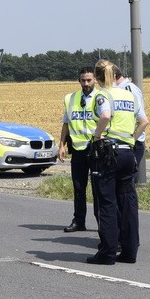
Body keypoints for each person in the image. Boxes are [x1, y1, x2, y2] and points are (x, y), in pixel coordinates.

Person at [85, 59, 144, 265]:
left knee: (107, 202)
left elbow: (106, 115)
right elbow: (144, 120)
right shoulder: (129, 94)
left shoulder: (103, 94)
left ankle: (107, 253)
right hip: (128, 152)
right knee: (128, 202)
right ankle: (129, 252)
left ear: (98, 78)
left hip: (109, 153)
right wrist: (131, 139)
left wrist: (97, 135)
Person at [57, 66, 97, 232]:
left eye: (89, 80)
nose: (86, 83)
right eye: (83, 80)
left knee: (98, 189)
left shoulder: (101, 97)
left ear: (94, 79)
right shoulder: (71, 98)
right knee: (79, 187)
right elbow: (66, 123)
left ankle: (103, 223)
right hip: (79, 149)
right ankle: (79, 221)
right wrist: (61, 145)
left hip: (96, 149)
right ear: (79, 80)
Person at [113, 66, 150, 181]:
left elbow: (142, 119)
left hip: (132, 143)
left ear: (113, 76)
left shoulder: (128, 89)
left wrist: (132, 140)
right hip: (124, 143)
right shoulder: (120, 90)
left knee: (127, 184)